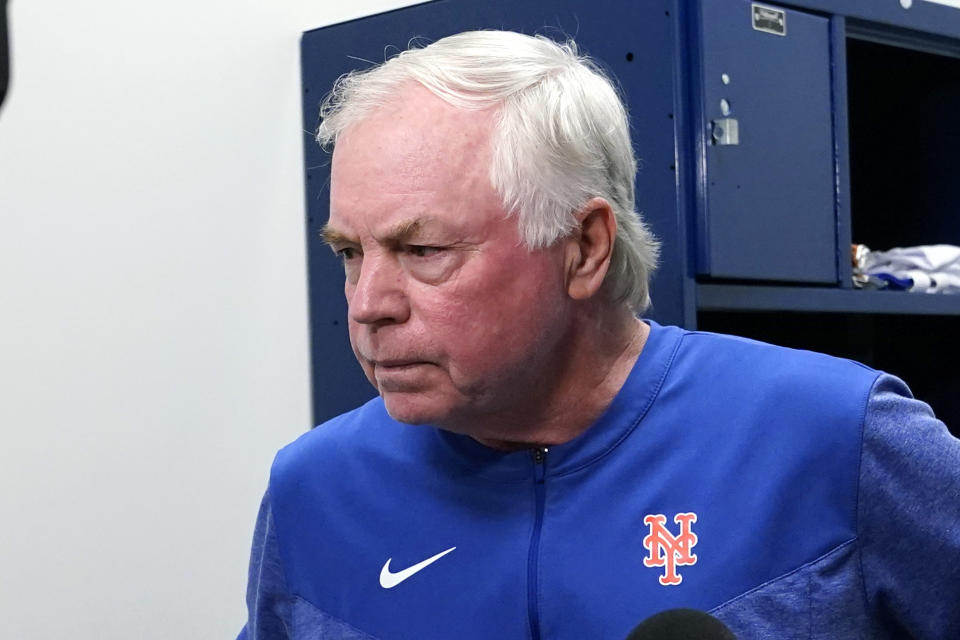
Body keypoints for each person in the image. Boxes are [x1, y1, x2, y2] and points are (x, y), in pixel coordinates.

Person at [238, 31, 960, 639]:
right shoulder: (313, 492)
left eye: (423, 252)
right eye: (350, 254)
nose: (367, 305)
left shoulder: (834, 439)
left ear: (582, 247)